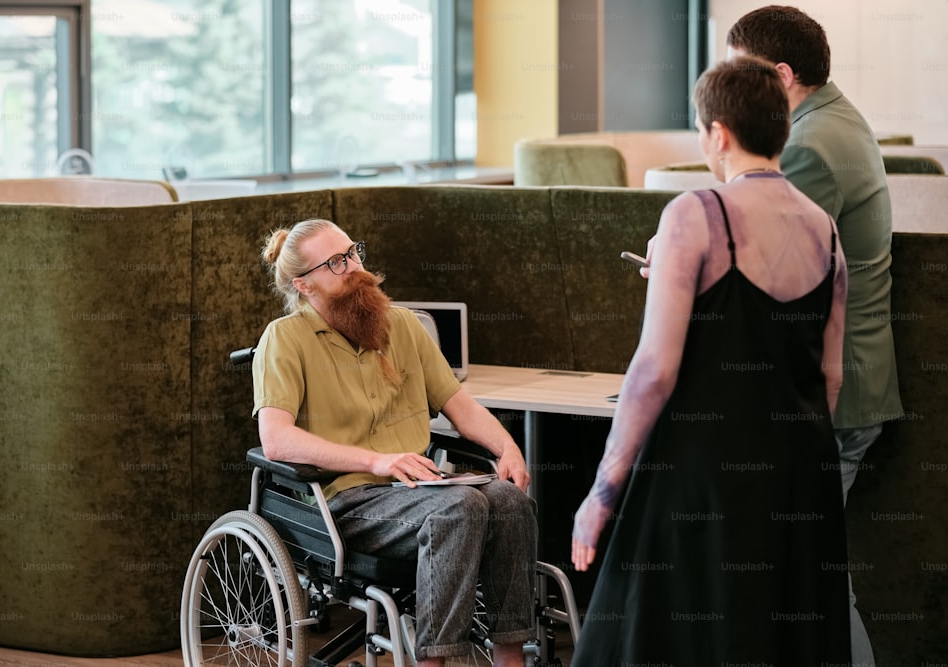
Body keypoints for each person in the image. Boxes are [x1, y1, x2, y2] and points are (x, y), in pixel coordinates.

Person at [570, 56, 851, 665]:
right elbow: (829, 377)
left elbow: (653, 371)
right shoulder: (825, 230)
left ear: (718, 133)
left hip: (705, 474)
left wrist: (601, 493)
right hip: (800, 477)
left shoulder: (696, 212)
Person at [251, 218, 536, 667]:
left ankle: (511, 658)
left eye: (354, 252)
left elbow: (458, 404)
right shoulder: (284, 339)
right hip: (342, 502)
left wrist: (508, 448)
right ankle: (435, 662)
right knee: (461, 506)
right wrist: (377, 461)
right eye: (337, 263)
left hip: (416, 490)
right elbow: (276, 440)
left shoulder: (402, 326)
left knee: (508, 500)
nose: (355, 267)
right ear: (305, 286)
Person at [727, 7, 904, 664]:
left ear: (778, 74)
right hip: (844, 381)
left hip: (830, 392)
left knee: (811, 574)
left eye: (737, 69)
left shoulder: (808, 146)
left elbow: (765, 269)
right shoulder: (834, 119)